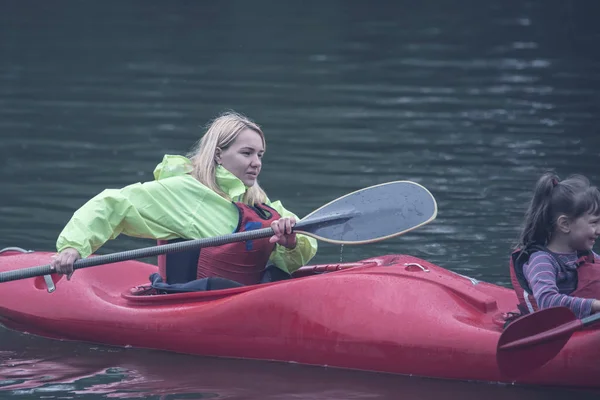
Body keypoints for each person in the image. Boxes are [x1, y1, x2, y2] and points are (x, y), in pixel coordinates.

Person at [51, 111, 318, 289]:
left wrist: (290, 241)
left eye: (260, 155)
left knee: (280, 276)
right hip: (192, 301)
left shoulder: (258, 201)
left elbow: (300, 248)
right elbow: (114, 203)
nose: (256, 163)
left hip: (245, 299)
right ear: (217, 154)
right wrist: (73, 247)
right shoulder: (181, 191)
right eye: (247, 153)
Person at [510, 172, 600, 319]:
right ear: (565, 224)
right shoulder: (541, 261)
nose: (599, 230)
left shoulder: (583, 254)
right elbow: (547, 302)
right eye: (594, 223)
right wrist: (595, 305)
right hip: (554, 329)